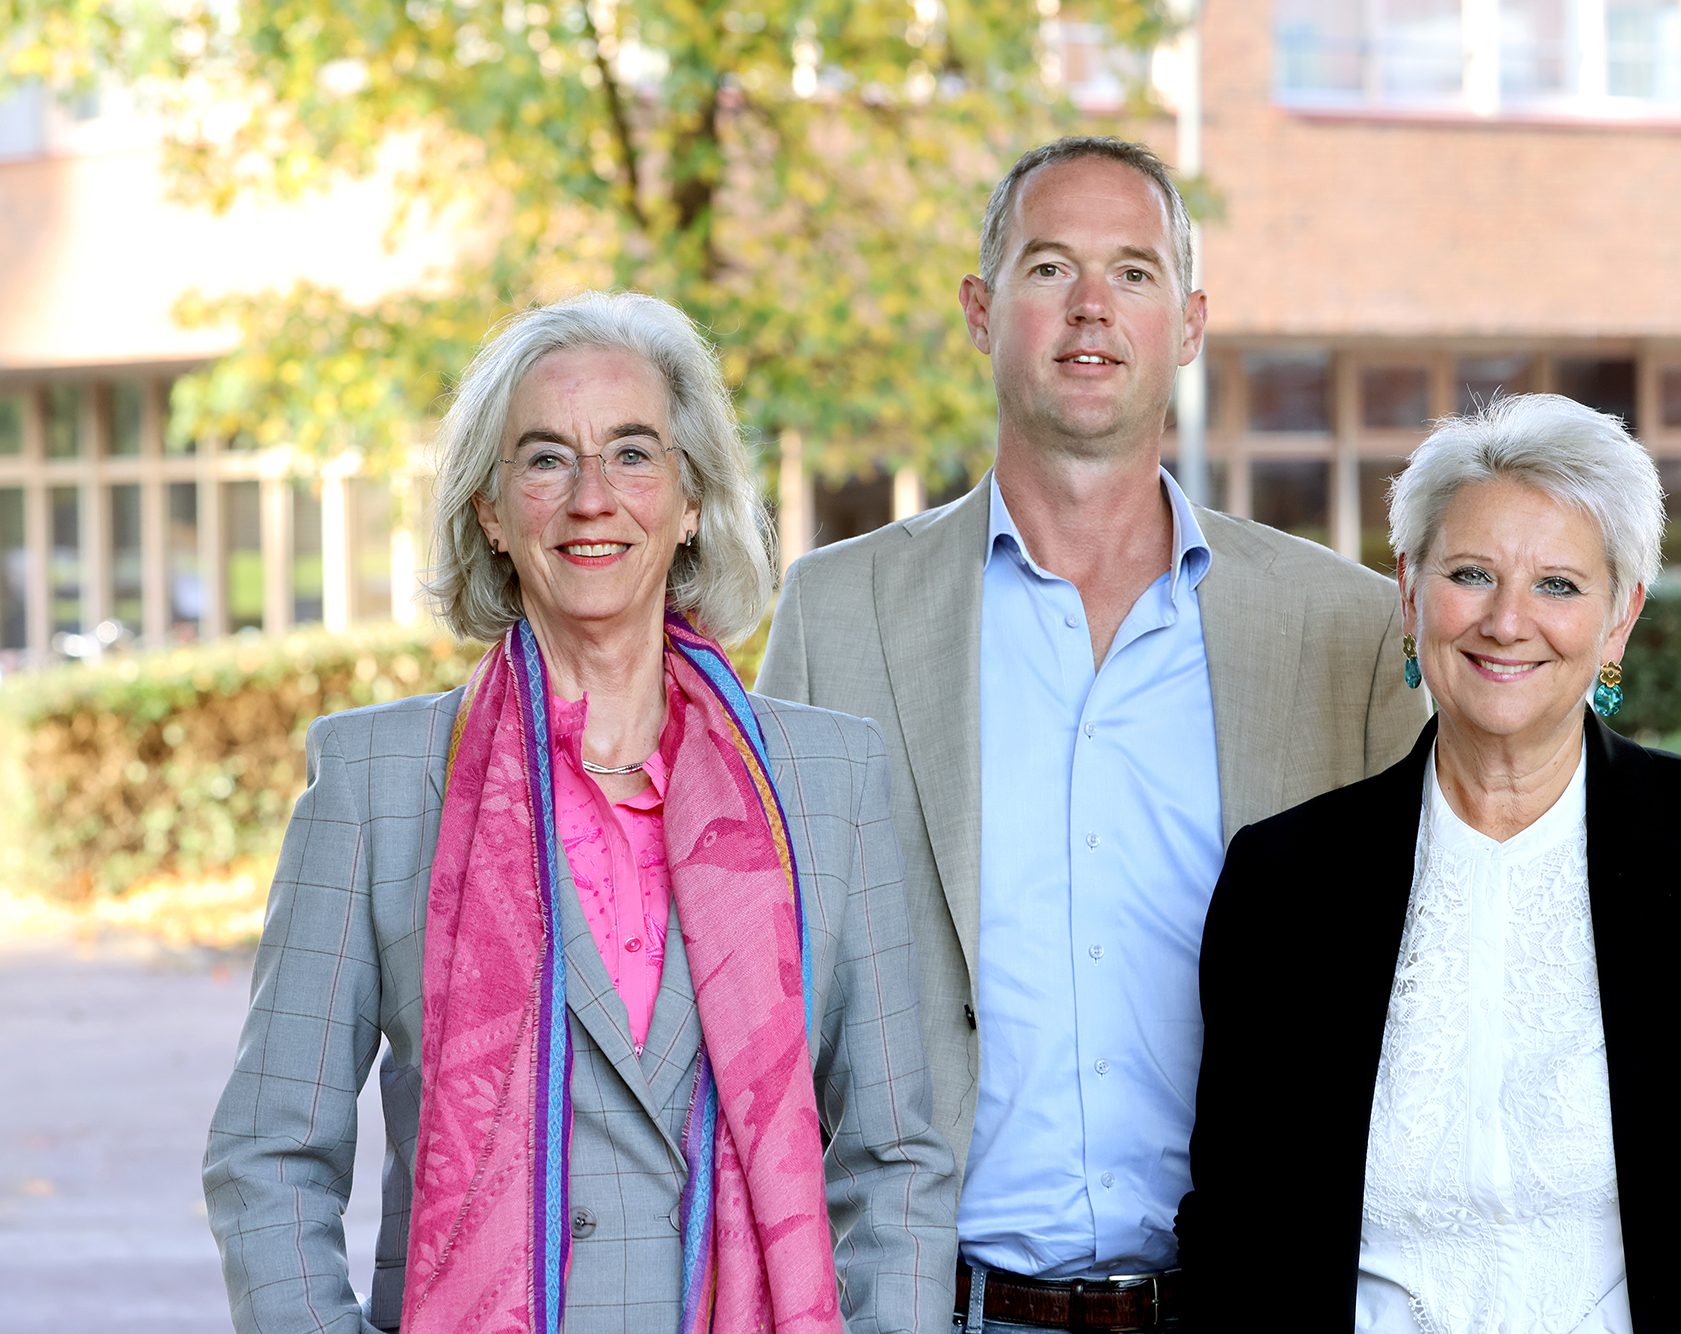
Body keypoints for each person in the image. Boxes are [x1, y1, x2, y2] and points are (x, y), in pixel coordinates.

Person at [756, 137, 1428, 1331]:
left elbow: (1417, 986)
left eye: (1131, 271)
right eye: (1047, 266)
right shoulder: (838, 613)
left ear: (1188, 323)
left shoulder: (1342, 628)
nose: (1089, 307)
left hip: (1243, 1306)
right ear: (979, 310)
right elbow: (767, 987)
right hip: (936, 1304)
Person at [204, 291, 957, 1334]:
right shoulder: (379, 781)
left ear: (691, 501)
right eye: (546, 458)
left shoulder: (829, 780)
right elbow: (269, 1156)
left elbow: (895, 1160)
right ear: (490, 511)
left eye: (633, 454)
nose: (591, 497)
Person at [1177, 393, 1681, 1332]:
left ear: (1620, 618)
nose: (1507, 621)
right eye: (1471, 574)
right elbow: (1234, 1228)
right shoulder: (1285, 879)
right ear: (1409, 592)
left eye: (1559, 585)